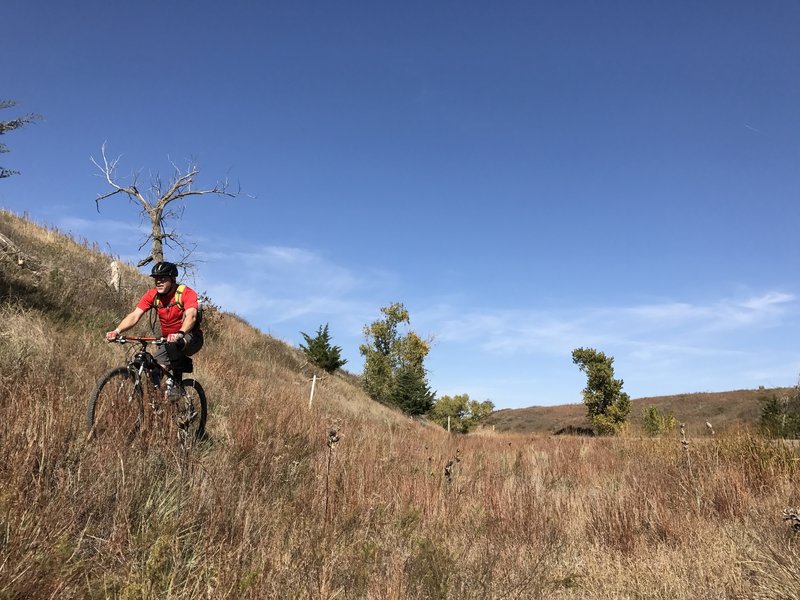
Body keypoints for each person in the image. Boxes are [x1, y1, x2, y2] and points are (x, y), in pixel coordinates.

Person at [106, 261, 203, 392]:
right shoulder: (153, 295)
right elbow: (135, 315)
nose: (159, 282)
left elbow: (191, 316)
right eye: (156, 279)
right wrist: (117, 331)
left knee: (175, 344)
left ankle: (178, 385)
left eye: (163, 278)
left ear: (173, 279)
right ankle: (159, 404)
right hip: (166, 340)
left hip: (191, 337)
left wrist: (180, 333)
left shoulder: (185, 293)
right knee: (154, 372)